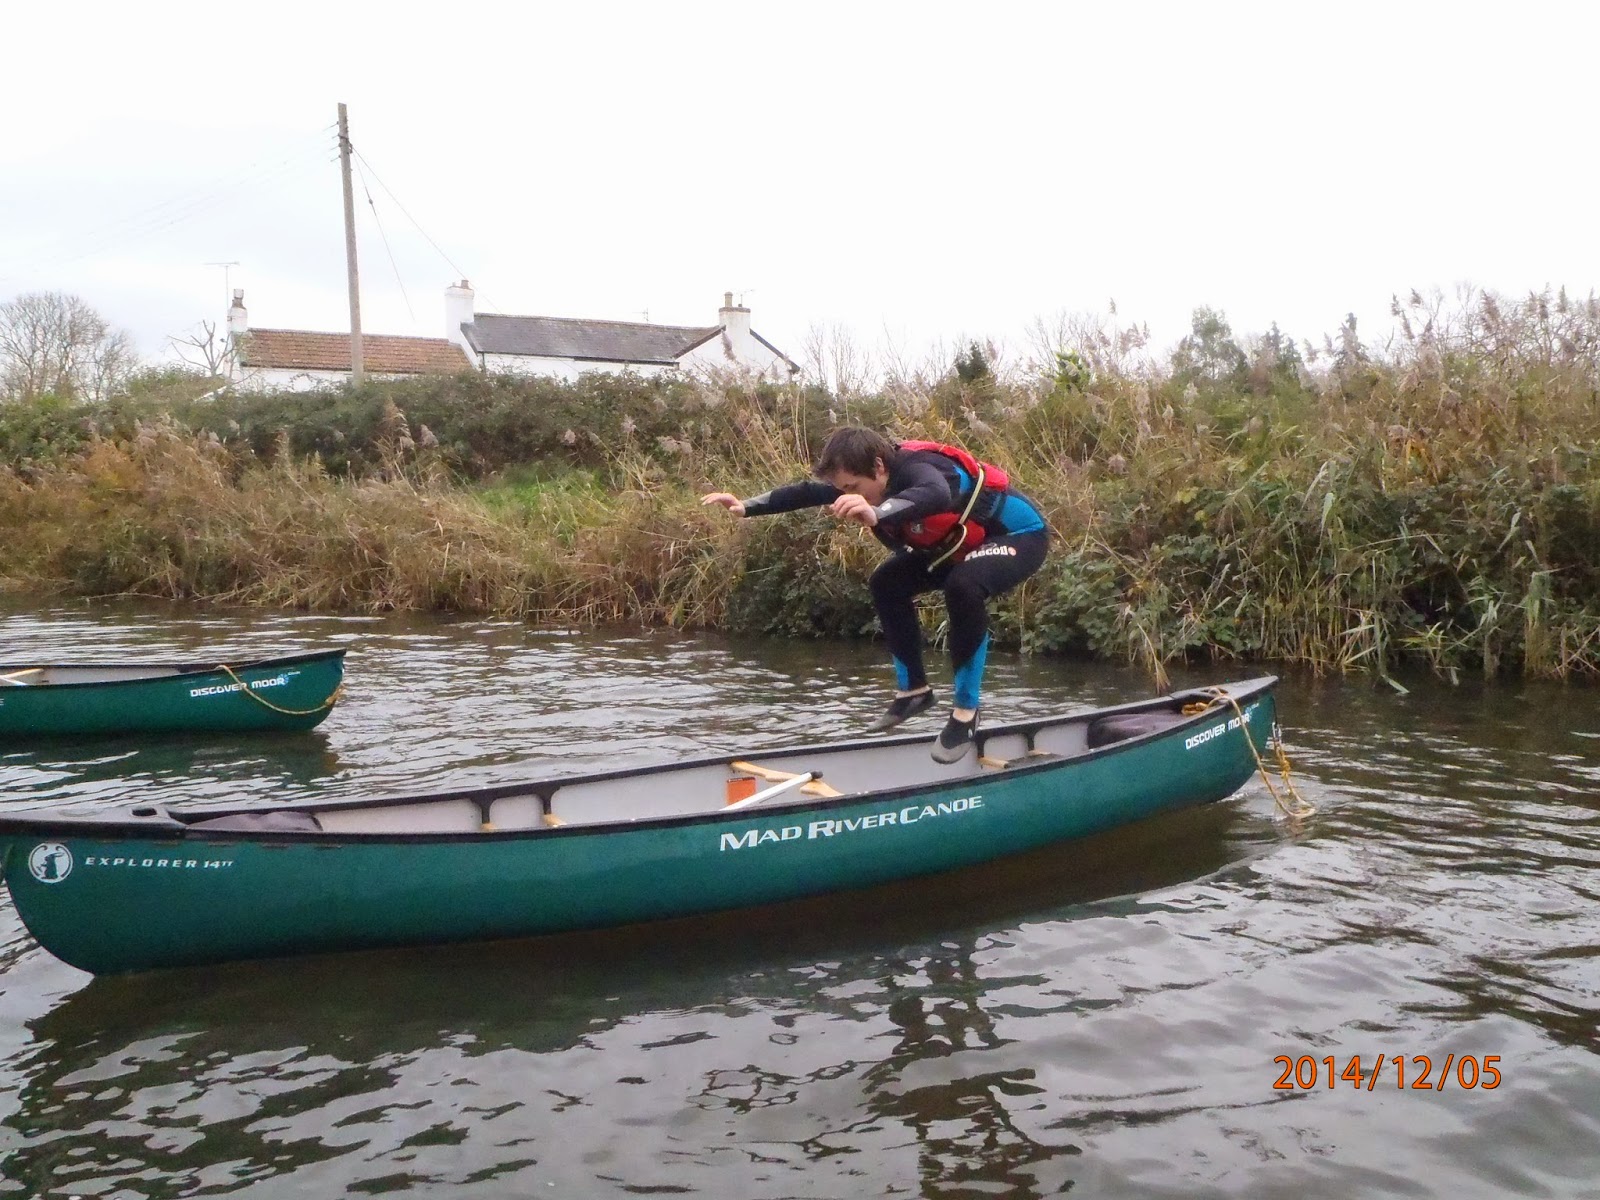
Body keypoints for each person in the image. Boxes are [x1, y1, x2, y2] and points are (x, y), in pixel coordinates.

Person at [701, 426, 1049, 763]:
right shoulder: (859, 482)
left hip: (1018, 537)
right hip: (958, 548)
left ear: (879, 467)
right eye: (842, 488)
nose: (849, 494)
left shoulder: (922, 469)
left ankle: (965, 711)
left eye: (853, 487)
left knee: (964, 587)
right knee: (887, 582)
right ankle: (914, 691)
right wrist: (745, 507)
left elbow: (936, 494)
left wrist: (877, 512)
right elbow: (806, 492)